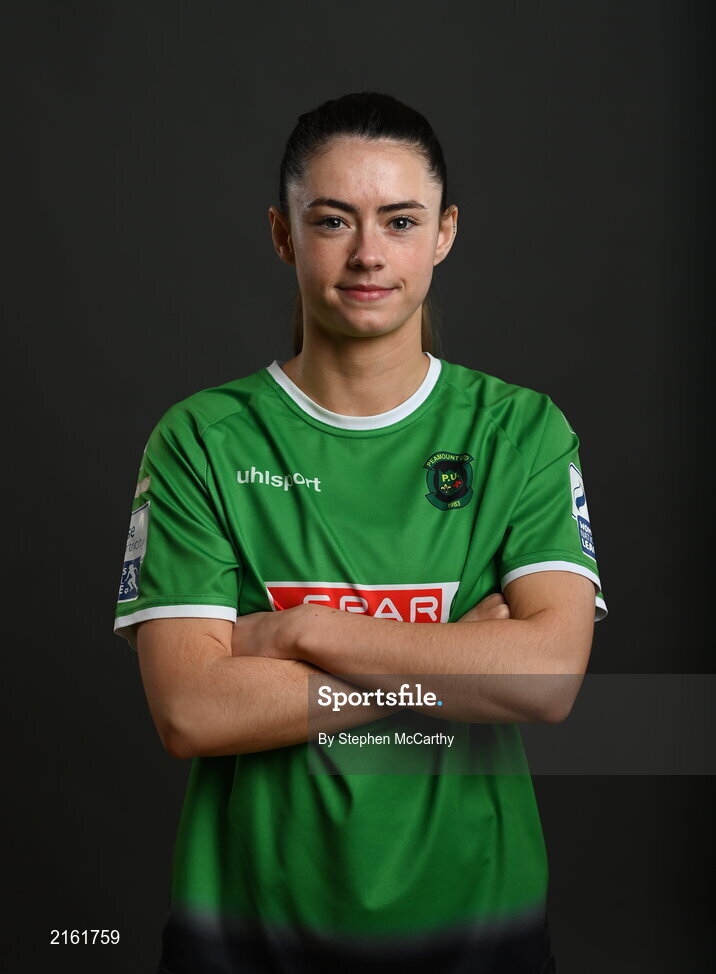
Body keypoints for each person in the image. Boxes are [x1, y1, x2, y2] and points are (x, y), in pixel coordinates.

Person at [114, 91, 607, 974]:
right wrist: (452, 657)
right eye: (333, 220)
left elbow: (546, 680)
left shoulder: (522, 432)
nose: (369, 254)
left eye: (401, 220)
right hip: (245, 933)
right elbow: (190, 710)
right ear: (282, 234)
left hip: (478, 928)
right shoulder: (200, 441)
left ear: (445, 232)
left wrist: (302, 633)